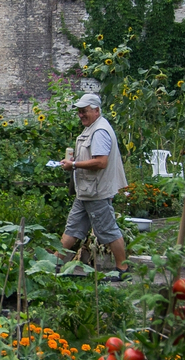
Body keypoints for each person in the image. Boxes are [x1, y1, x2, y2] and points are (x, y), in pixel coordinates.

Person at [59, 93, 130, 282]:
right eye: (79, 112)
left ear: (97, 110)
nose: (81, 115)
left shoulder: (99, 132)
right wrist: (76, 162)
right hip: (86, 191)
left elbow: (101, 162)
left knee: (107, 230)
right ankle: (52, 264)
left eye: (85, 111)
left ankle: (123, 269)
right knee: (73, 228)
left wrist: (73, 165)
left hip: (96, 191)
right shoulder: (92, 128)